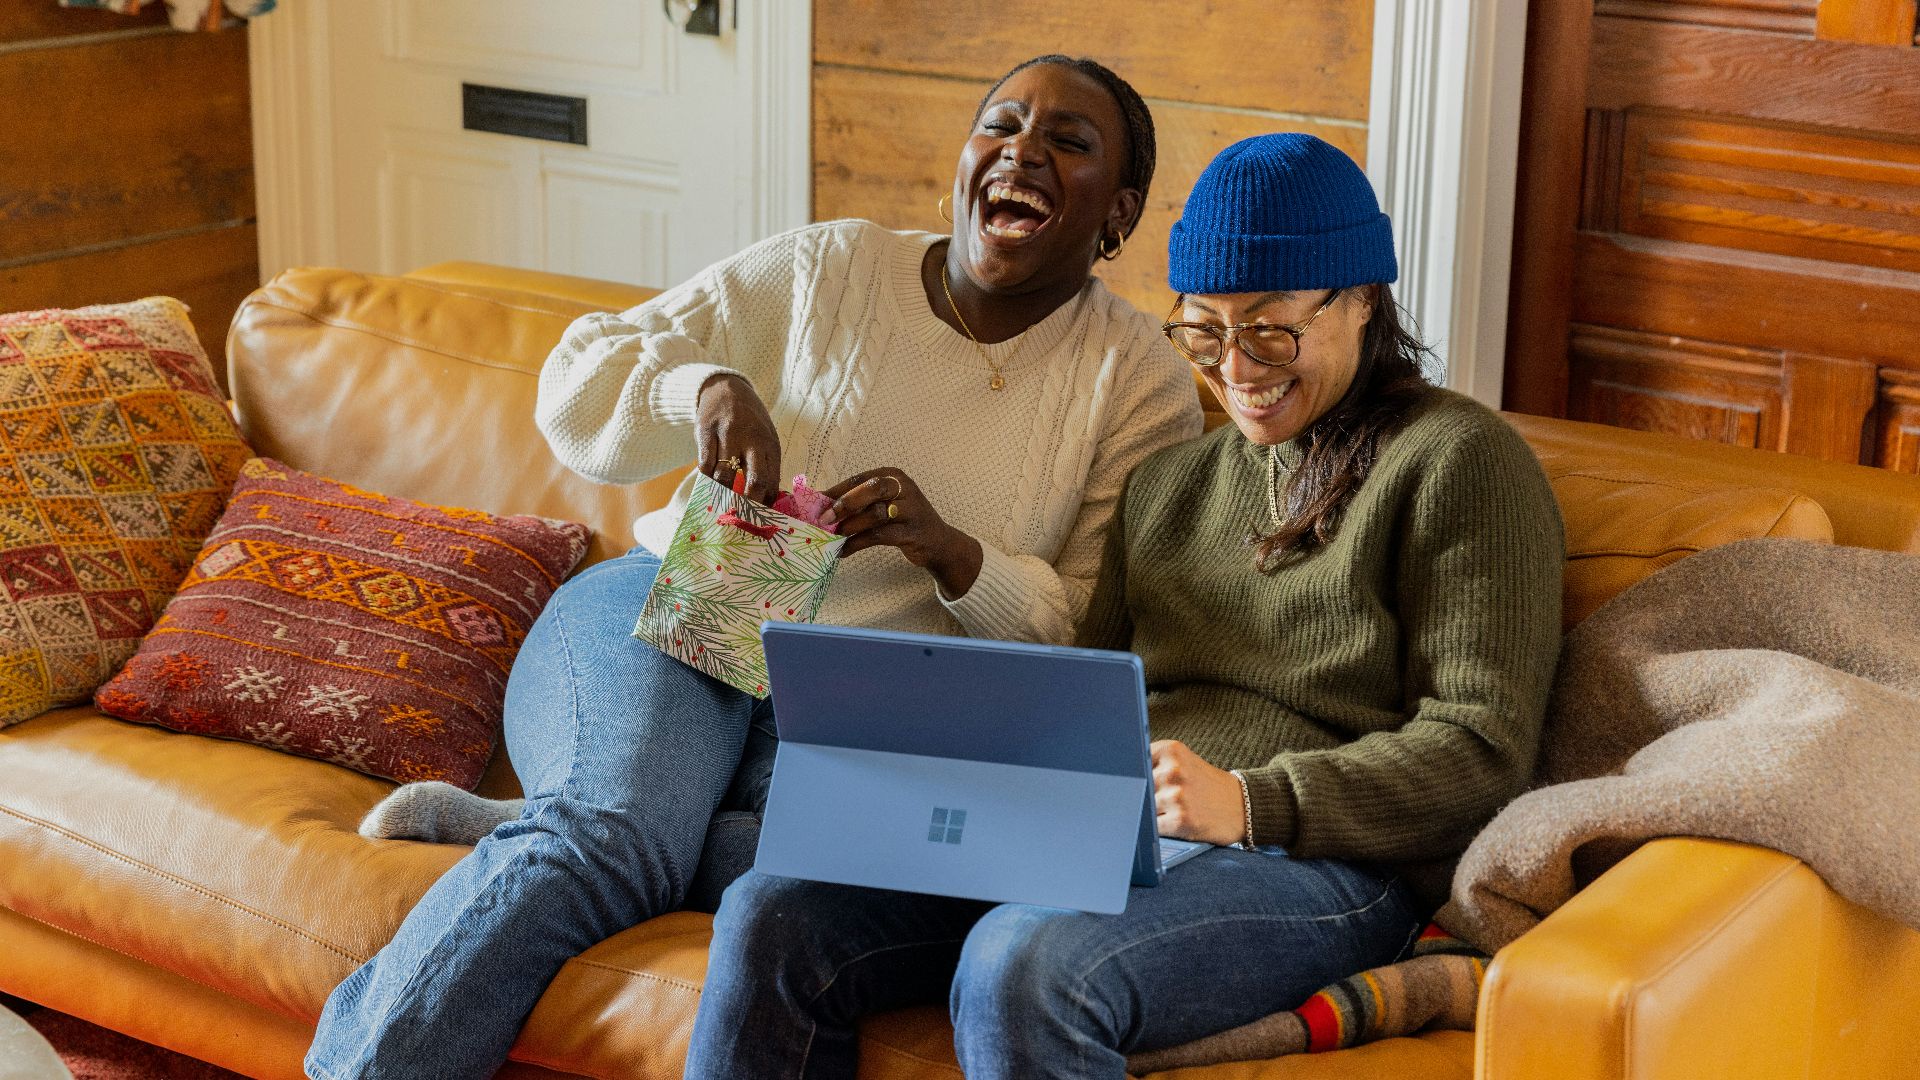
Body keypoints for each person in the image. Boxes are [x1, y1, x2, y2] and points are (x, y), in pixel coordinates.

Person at [302, 55, 1202, 1080]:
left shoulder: (1139, 380)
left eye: (1068, 143)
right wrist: (704, 388)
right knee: (610, 842)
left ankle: (569, 818)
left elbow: (1089, 630)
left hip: (863, 712)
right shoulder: (833, 267)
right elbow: (576, 377)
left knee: (832, 868)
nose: (1022, 151)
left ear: (1118, 211)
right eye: (1000, 125)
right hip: (683, 603)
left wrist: (955, 555)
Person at [684, 133, 1565, 1080]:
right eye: (1205, 331)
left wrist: (1254, 803)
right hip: (1110, 835)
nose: (1237, 369)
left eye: (1270, 330)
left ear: (1361, 299)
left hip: (1323, 863)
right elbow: (1080, 699)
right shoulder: (1167, 486)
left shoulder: (1459, 461)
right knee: (772, 910)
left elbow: (1482, 749)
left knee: (1025, 965)